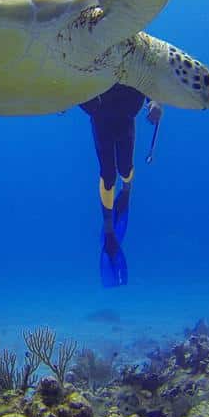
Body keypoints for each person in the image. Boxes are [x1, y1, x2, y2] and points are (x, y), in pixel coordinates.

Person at [80, 84, 163, 287]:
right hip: (100, 114)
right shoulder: (91, 53)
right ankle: (108, 228)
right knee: (108, 175)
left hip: (125, 114)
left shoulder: (135, 53)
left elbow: (149, 71)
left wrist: (155, 102)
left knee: (125, 169)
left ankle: (126, 189)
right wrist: (61, 98)